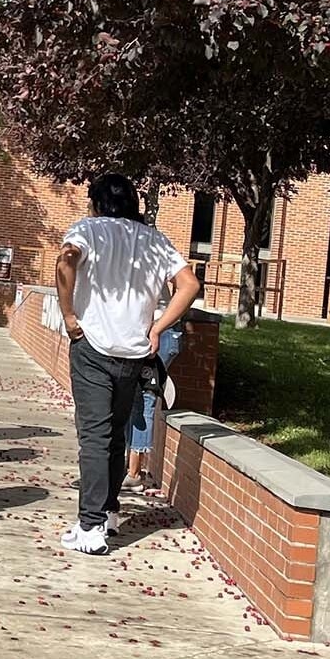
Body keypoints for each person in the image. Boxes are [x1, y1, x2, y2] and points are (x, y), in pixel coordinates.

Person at [55, 174, 200, 555]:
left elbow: (65, 261)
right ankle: (110, 511)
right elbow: (189, 284)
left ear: (97, 203)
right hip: (135, 351)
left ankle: (90, 526)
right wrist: (159, 326)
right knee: (116, 431)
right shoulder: (155, 239)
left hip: (93, 345)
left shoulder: (87, 229)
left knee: (94, 435)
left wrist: (70, 316)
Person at [126, 301, 184, 492]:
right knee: (135, 399)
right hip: (160, 331)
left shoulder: (163, 271)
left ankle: (134, 473)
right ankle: (131, 468)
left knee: (142, 401)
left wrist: (155, 328)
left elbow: (186, 286)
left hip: (158, 332)